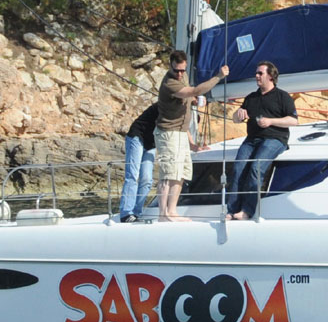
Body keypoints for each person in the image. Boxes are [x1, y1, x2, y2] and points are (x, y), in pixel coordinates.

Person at [155, 51, 230, 222]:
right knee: (168, 174)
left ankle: (172, 211)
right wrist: (218, 76)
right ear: (170, 66)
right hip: (168, 133)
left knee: (181, 173)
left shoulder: (183, 76)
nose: (180, 74)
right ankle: (162, 214)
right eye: (176, 70)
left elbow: (189, 96)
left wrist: (193, 144)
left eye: (182, 70)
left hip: (181, 132)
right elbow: (193, 90)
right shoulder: (169, 83)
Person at [227, 61, 298, 220]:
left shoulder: (282, 97)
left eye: (260, 73)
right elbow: (236, 119)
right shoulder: (251, 98)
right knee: (238, 168)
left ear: (271, 76)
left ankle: (247, 211)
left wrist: (271, 121)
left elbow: (294, 120)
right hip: (252, 139)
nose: (257, 76)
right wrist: (237, 115)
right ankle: (232, 211)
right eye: (256, 73)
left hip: (275, 139)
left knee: (256, 167)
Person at [119, 102, 158, 222]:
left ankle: (137, 213)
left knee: (147, 179)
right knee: (133, 175)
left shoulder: (179, 109)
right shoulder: (165, 103)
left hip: (151, 144)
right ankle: (126, 213)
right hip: (137, 136)